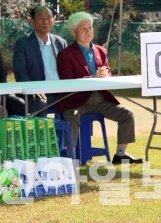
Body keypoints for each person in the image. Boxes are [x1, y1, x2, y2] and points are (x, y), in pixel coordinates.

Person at [57, 11, 142, 164]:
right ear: (72, 32)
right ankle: (70, 158)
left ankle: (120, 155)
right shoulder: (65, 55)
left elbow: (107, 70)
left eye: (90, 27)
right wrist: (91, 78)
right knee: (72, 116)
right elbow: (67, 80)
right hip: (77, 101)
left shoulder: (101, 50)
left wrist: (106, 75)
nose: (88, 31)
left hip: (101, 99)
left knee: (127, 114)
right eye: (83, 28)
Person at [13, 6, 68, 116]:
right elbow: (20, 72)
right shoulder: (23, 43)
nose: (45, 22)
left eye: (49, 18)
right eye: (41, 19)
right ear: (32, 21)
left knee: (75, 108)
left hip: (60, 93)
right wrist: (32, 89)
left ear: (54, 20)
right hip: (36, 94)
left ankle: (69, 134)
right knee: (40, 105)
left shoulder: (60, 42)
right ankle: (42, 134)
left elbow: (67, 70)